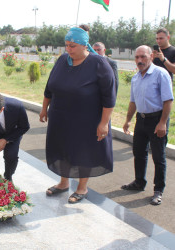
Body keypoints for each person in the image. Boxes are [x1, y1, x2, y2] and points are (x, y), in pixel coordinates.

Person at [39, 27, 116, 203]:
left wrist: (104, 123)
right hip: (60, 118)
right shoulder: (62, 61)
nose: (68, 49)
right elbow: (49, 87)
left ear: (84, 45)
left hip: (86, 120)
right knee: (62, 149)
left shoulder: (99, 64)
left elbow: (109, 97)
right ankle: (63, 183)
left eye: (72, 46)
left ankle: (82, 188)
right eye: (66, 45)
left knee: (83, 152)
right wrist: (44, 108)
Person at [121, 45, 173, 206]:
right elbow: (133, 101)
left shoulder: (160, 74)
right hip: (141, 120)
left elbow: (168, 100)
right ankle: (139, 182)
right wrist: (128, 119)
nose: (140, 60)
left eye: (143, 56)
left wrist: (162, 122)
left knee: (158, 156)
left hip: (157, 120)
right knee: (139, 152)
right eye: (137, 57)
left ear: (151, 56)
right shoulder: (136, 77)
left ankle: (158, 190)